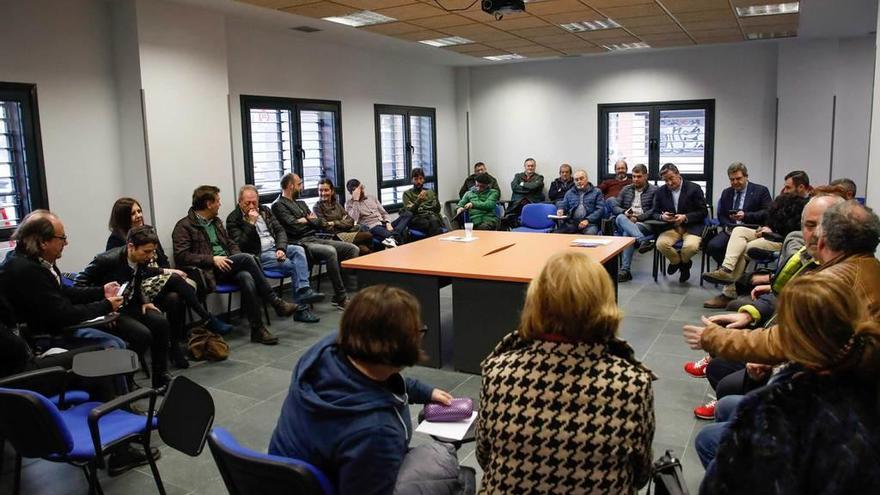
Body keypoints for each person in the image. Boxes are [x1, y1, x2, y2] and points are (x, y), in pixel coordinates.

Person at [477, 251, 654, 493]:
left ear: (536, 300)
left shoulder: (499, 372)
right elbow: (641, 472)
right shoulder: (632, 383)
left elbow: (485, 456)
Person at [699, 274, 880, 493]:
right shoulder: (862, 357)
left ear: (794, 335)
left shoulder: (781, 406)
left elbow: (720, 485)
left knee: (707, 439)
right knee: (726, 404)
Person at [268, 285, 457, 495]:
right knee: (445, 465)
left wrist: (422, 391)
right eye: (418, 332)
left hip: (281, 481)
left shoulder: (324, 353)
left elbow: (377, 379)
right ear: (399, 348)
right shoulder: (377, 432)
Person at [683, 193, 843, 419]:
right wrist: (750, 314)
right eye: (809, 225)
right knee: (728, 243)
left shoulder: (837, 277)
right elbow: (782, 295)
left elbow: (801, 339)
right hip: (778, 334)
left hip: (797, 366)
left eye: (824, 225)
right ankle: (729, 280)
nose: (816, 233)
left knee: (723, 378)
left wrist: (769, 358)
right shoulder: (810, 258)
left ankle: (742, 410)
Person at [683, 201, 880, 366]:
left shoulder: (829, 283)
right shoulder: (869, 267)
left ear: (823, 240)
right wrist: (751, 313)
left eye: (816, 226)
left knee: (725, 379)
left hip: (828, 387)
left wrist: (714, 338)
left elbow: (784, 341)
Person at [106, 196, 234, 365]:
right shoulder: (116, 240)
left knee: (174, 298)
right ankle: (206, 318)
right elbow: (132, 272)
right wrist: (168, 271)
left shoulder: (148, 231)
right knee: (175, 278)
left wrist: (166, 269)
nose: (138, 215)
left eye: (139, 211)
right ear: (123, 217)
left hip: (160, 282)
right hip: (139, 286)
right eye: (132, 213)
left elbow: (163, 259)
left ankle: (174, 346)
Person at [172, 185, 298, 345]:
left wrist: (236, 257)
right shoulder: (184, 226)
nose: (220, 204)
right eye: (217, 201)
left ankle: (257, 330)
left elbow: (231, 243)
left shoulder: (216, 222)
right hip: (208, 271)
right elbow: (182, 256)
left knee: (246, 276)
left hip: (227, 266)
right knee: (247, 258)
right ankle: (275, 302)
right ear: (208, 203)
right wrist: (212, 259)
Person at [2, 210, 125, 352]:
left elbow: (61, 292)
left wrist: (102, 291)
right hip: (43, 340)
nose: (66, 243)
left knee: (118, 344)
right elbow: (63, 314)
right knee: (114, 347)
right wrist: (105, 306)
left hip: (57, 329)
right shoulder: (26, 271)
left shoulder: (37, 259)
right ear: (43, 242)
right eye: (62, 238)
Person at [76, 226, 173, 388]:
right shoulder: (105, 260)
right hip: (112, 311)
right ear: (131, 247)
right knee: (142, 335)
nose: (149, 257)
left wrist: (144, 300)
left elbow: (137, 279)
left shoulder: (141, 259)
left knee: (161, 323)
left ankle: (160, 378)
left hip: (131, 305)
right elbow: (79, 284)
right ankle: (126, 379)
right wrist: (102, 309)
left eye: (151, 252)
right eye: (146, 252)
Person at [226, 184, 323, 323]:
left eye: (255, 202)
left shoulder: (265, 210)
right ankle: (302, 309)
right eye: (248, 203)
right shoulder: (233, 219)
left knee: (298, 250)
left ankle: (304, 290)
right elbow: (241, 245)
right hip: (259, 254)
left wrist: (281, 249)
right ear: (240, 202)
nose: (252, 206)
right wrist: (251, 224)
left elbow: (280, 231)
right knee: (292, 265)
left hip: (274, 247)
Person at [701, 193, 807, 308]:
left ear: (801, 187)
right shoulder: (786, 200)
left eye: (788, 187)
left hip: (781, 238)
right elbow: (771, 216)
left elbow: (792, 230)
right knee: (738, 230)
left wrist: (771, 231)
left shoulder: (804, 206)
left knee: (746, 247)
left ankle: (729, 292)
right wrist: (768, 227)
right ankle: (727, 269)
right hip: (769, 231)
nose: (784, 190)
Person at [272, 173, 358, 309]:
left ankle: (340, 292)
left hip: (315, 237)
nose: (302, 187)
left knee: (352, 249)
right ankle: (341, 297)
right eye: (299, 184)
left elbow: (319, 222)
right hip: (299, 243)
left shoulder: (301, 203)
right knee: (330, 252)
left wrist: (306, 220)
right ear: (290, 186)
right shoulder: (278, 205)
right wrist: (309, 220)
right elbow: (293, 227)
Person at [704, 162, 772, 268]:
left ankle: (732, 273)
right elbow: (721, 215)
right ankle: (733, 272)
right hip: (731, 229)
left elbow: (767, 212)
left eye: (738, 178)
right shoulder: (726, 192)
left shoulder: (761, 191)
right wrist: (727, 226)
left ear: (746, 177)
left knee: (744, 249)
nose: (735, 182)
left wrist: (746, 215)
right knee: (713, 246)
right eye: (732, 179)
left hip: (752, 230)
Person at [651, 163, 707, 283]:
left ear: (678, 174)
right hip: (672, 227)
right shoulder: (661, 191)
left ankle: (683, 262)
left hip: (692, 226)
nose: (669, 183)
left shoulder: (694, 188)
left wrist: (685, 217)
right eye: (666, 181)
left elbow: (703, 212)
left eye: (671, 178)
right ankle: (679, 263)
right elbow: (654, 212)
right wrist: (662, 217)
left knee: (691, 247)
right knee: (661, 244)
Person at [611, 164, 657, 282]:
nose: (636, 179)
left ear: (646, 176)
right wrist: (624, 212)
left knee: (627, 235)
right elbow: (615, 206)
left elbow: (654, 210)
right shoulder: (626, 189)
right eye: (634, 176)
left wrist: (639, 218)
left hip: (644, 223)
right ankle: (643, 240)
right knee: (620, 217)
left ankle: (625, 271)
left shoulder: (654, 190)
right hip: (626, 220)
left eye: (639, 176)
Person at [312, 178, 374, 255]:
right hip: (334, 236)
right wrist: (342, 222)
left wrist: (334, 223)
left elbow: (350, 221)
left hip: (346, 232)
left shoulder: (336, 204)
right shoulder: (317, 207)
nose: (323, 193)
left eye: (326, 190)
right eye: (320, 190)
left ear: (332, 191)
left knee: (366, 250)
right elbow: (326, 227)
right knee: (368, 235)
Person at [344, 178, 410, 248]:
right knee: (394, 234)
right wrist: (356, 200)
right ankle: (394, 236)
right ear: (352, 193)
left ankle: (394, 234)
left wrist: (388, 222)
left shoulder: (372, 197)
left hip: (384, 224)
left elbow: (384, 213)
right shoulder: (349, 204)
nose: (362, 191)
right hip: (373, 227)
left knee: (408, 214)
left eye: (362, 188)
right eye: (359, 190)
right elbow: (355, 219)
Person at [555, 169, 605, 235]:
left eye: (581, 179)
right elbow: (564, 204)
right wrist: (560, 209)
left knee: (589, 235)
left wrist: (588, 220)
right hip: (573, 222)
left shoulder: (597, 192)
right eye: (576, 180)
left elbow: (600, 209)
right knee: (556, 234)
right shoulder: (569, 193)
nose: (579, 181)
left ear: (587, 179)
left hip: (590, 223)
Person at [401, 167, 443, 237]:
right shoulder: (407, 194)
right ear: (412, 180)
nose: (419, 182)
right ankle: (436, 245)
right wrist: (419, 200)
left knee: (434, 220)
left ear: (423, 179)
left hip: (431, 216)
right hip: (416, 218)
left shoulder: (430, 192)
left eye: (420, 178)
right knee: (430, 223)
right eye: (416, 179)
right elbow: (410, 212)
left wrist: (419, 206)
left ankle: (433, 245)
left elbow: (437, 210)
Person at [506, 157, 545, 227]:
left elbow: (534, 186)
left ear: (535, 167)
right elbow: (514, 187)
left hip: (532, 203)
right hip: (517, 205)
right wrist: (529, 189)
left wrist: (522, 184)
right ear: (525, 167)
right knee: (507, 220)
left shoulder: (539, 177)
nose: (530, 168)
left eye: (532, 166)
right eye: (528, 166)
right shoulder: (518, 176)